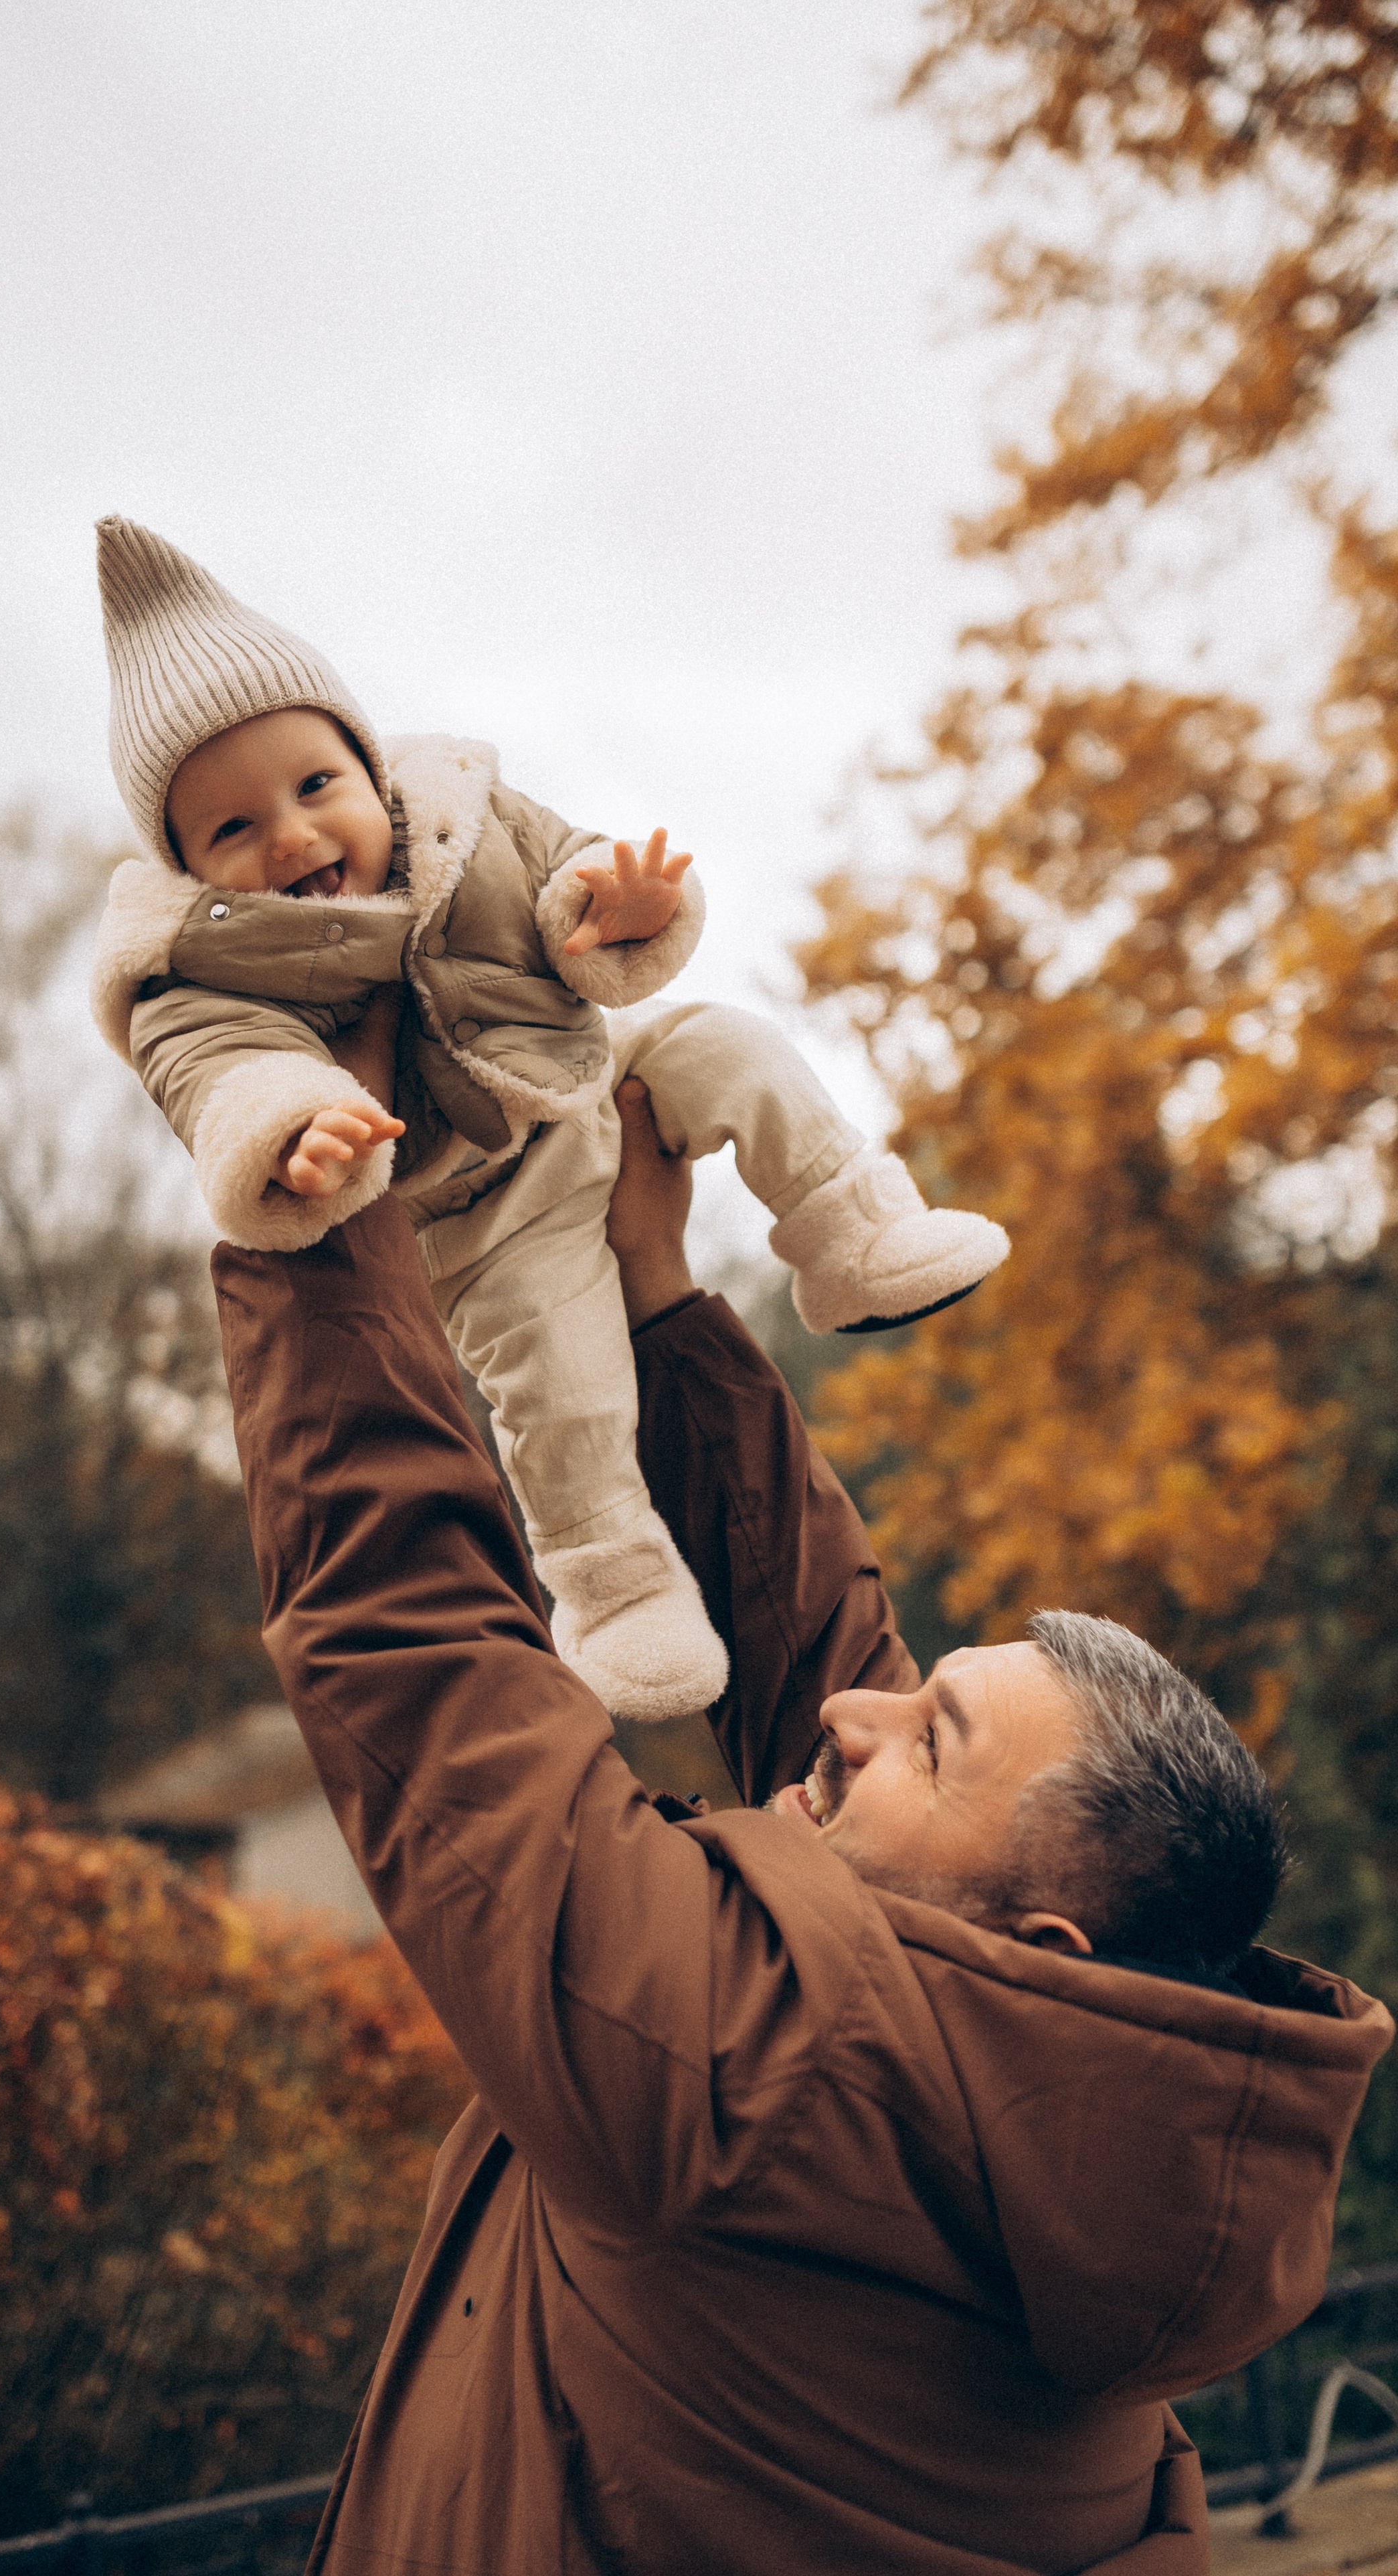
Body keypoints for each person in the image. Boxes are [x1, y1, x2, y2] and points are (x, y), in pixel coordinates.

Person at [210, 1074, 1391, 2576]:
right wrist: (653, 1294)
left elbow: (422, 1654)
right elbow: (829, 1653)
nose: (853, 1711)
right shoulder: (1111, 2143)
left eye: (932, 1742)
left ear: (1040, 1947)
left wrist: (316, 1233)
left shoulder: (744, 2088)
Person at [89, 513, 1007, 1719]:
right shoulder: (201, 974)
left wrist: (614, 906)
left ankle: (854, 1233)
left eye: (315, 786)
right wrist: (297, 1123)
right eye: (234, 828)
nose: (295, 836)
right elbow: (218, 1073)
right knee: (560, 1385)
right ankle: (617, 1587)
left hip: (592, 1074)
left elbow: (563, 867)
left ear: (368, 765)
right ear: (186, 869)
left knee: (734, 1046)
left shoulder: (460, 820)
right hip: (481, 1207)